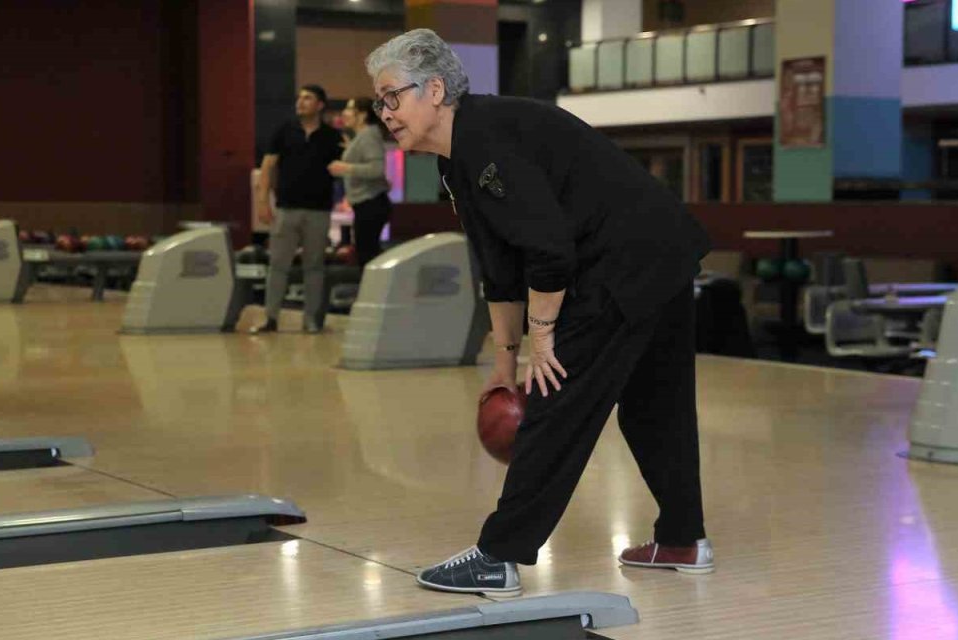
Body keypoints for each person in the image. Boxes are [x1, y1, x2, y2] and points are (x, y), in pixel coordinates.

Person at [366, 29, 714, 597]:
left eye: (390, 97)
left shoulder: (487, 140)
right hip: (660, 255)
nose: (384, 113)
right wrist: (505, 363)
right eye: (378, 102)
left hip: (623, 262)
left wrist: (543, 337)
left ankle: (499, 556)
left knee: (556, 402)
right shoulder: (460, 157)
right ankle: (683, 539)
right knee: (654, 406)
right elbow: (500, 269)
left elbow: (549, 251)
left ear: (433, 90)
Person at [252, 84, 341, 334]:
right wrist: (262, 201)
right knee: (278, 265)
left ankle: (311, 320)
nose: (300, 102)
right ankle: (270, 318)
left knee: (314, 267)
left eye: (307, 98)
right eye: (299, 98)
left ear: (320, 105)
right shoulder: (284, 131)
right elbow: (268, 167)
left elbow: (343, 167)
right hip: (286, 209)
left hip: (319, 211)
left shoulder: (332, 137)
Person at [329, 97, 391, 264]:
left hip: (371, 203)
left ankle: (371, 289)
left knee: (367, 255)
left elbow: (376, 169)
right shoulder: (362, 136)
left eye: (349, 109)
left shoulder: (369, 135)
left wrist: (345, 167)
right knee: (366, 251)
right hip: (366, 203)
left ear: (362, 115)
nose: (344, 113)